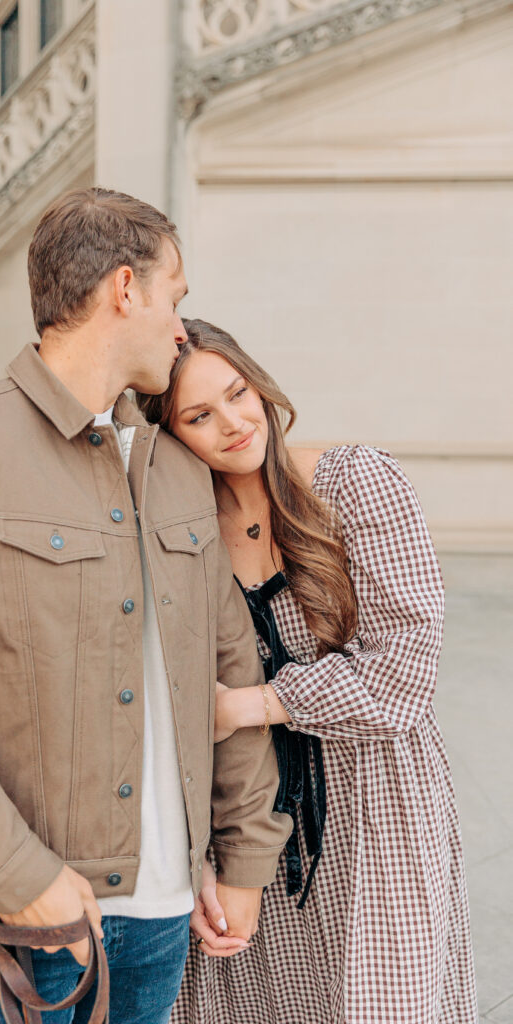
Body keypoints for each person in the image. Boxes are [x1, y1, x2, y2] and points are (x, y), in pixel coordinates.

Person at [0, 192, 292, 1024]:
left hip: (161, 926)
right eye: (174, 298)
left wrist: (244, 859)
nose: (181, 327)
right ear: (126, 289)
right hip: (1, 927)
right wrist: (24, 875)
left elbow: (227, 675)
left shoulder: (179, 472)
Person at [138, 318, 479, 1024]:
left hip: (376, 804)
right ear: (168, 435)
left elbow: (405, 674)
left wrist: (247, 705)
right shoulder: (181, 532)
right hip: (255, 817)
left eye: (238, 393)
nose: (233, 423)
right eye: (199, 415)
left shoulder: (355, 482)